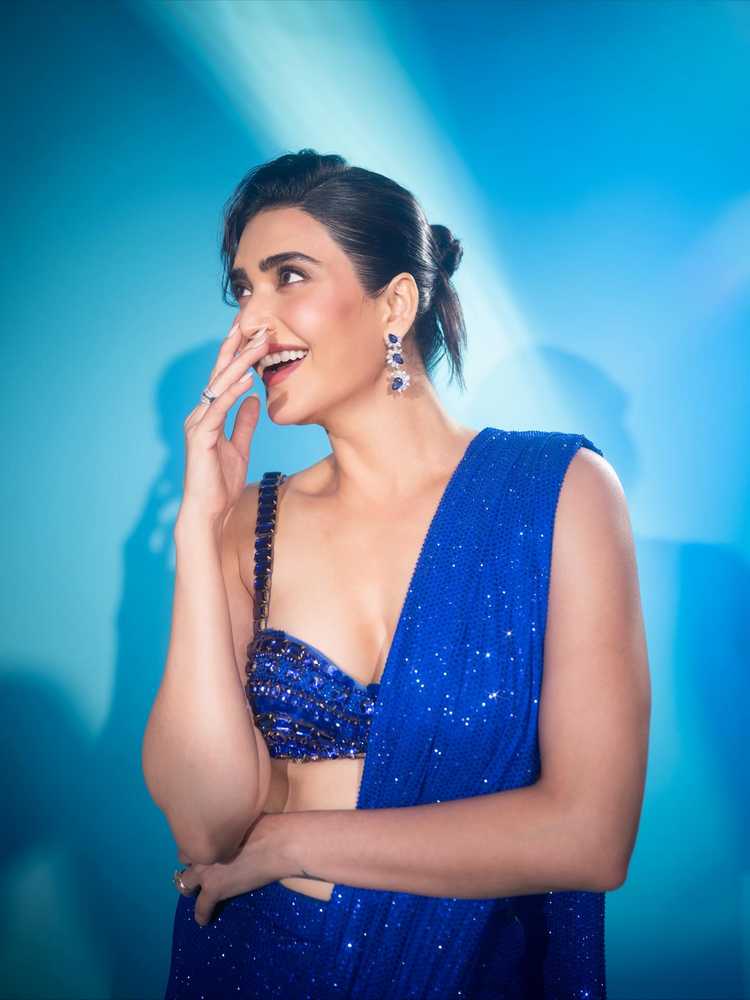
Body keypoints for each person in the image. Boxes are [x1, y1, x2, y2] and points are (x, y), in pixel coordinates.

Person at [142, 149, 650, 999]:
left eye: (287, 277)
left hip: (470, 968)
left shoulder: (559, 492)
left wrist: (295, 840)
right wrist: (199, 529)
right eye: (242, 291)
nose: (252, 323)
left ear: (397, 303)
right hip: (259, 961)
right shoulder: (248, 525)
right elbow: (203, 831)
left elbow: (591, 836)